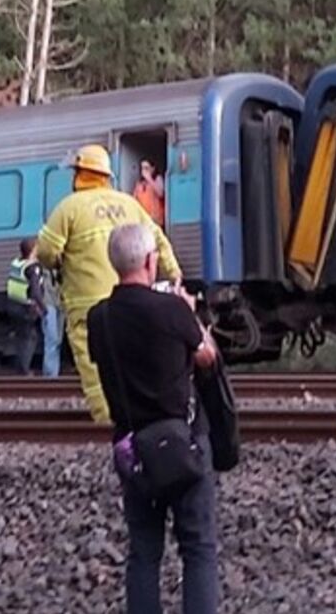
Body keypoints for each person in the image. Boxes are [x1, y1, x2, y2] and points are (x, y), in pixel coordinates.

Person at [87, 223, 220, 614]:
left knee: (144, 552)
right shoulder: (172, 309)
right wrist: (191, 316)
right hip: (183, 443)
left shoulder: (100, 318)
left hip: (133, 447)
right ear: (150, 260)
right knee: (198, 549)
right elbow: (207, 358)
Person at [38, 144, 182, 425]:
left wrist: (57, 262)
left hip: (86, 303)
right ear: (105, 175)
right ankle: (142, 418)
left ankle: (108, 423)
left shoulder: (69, 207)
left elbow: (45, 251)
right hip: (131, 297)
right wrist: (174, 273)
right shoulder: (129, 204)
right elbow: (157, 239)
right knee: (133, 359)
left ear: (80, 174)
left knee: (94, 367)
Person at [7, 239, 61, 377]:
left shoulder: (17, 263)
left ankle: (22, 369)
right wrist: (43, 309)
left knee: (23, 338)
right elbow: (36, 292)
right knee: (32, 338)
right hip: (31, 306)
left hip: (15, 305)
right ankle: (28, 372)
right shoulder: (33, 267)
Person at [133, 159, 167, 226]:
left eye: (146, 168)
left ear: (152, 168)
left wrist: (149, 179)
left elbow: (161, 193)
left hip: (155, 218)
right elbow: (134, 199)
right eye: (142, 168)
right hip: (143, 218)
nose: (144, 170)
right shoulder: (139, 183)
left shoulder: (157, 179)